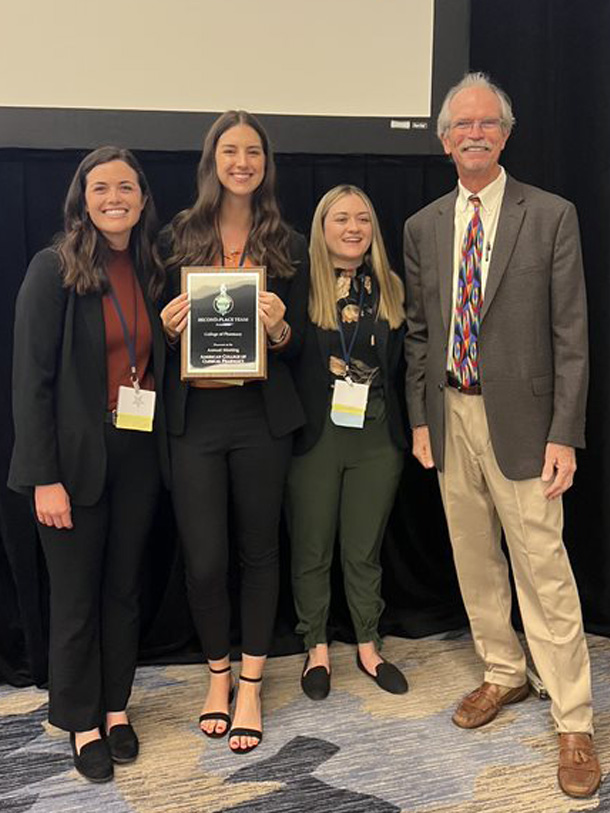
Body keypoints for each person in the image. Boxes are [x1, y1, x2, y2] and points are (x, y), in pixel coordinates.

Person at [403, 72, 600, 798]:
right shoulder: (423, 226)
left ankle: (574, 717)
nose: (476, 134)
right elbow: (421, 335)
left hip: (525, 422)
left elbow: (571, 336)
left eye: (489, 124)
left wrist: (565, 433)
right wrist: (420, 418)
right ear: (445, 140)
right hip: (450, 415)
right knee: (475, 556)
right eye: (463, 125)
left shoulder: (550, 215)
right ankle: (503, 672)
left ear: (506, 135)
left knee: (542, 565)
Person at [9, 147, 168, 782]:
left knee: (123, 590)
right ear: (82, 197)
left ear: (142, 197)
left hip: (136, 454)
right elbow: (31, 384)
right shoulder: (53, 270)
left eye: (125, 187)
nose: (113, 197)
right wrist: (43, 477)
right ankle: (78, 719)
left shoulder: (154, 269)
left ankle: (115, 705)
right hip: (70, 465)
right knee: (76, 599)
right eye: (100, 187)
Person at [160, 110, 308, 753]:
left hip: (260, 418)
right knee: (205, 558)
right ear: (211, 161)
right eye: (229, 150)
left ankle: (250, 682)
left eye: (253, 151)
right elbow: (153, 338)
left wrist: (277, 330)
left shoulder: (288, 242)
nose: (241, 161)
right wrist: (168, 334)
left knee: (259, 552)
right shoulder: (178, 235)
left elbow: (302, 342)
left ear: (266, 163)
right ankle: (215, 675)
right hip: (195, 419)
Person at [287, 185, 408, 700]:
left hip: (378, 437)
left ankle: (367, 643)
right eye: (341, 218)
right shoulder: (297, 288)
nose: (353, 228)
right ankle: (315, 646)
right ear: (321, 227)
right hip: (315, 438)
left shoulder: (392, 288)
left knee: (363, 550)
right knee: (312, 548)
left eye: (363, 218)